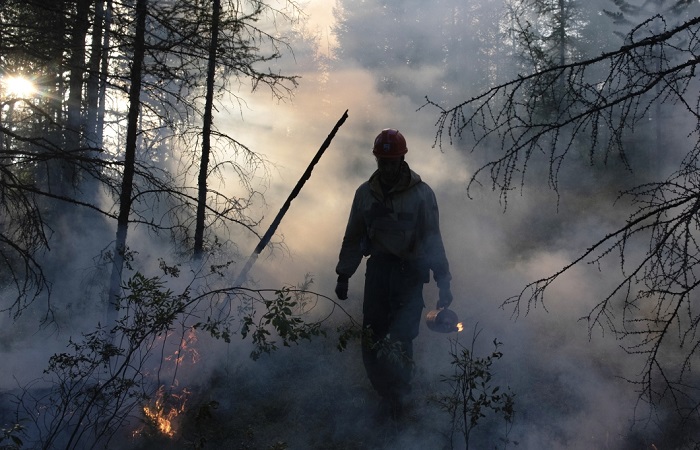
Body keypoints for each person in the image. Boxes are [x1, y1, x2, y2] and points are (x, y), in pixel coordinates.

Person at [334, 128, 453, 420]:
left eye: (392, 161)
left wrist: (444, 283)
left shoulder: (421, 195)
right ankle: (384, 393)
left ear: (402, 159)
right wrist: (343, 274)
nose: (387, 167)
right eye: (382, 161)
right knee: (372, 337)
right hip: (378, 273)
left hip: (409, 275)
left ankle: (399, 397)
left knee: (401, 337)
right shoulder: (365, 194)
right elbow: (353, 236)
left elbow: (433, 239)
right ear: (376, 160)